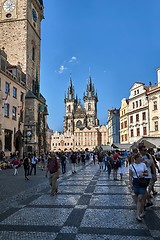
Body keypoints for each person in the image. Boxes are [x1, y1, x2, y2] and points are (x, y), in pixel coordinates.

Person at [129, 152, 148, 221]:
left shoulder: (143, 164)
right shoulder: (131, 166)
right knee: (139, 199)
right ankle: (142, 211)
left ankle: (137, 215)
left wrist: (143, 174)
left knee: (140, 198)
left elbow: (147, 173)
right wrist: (130, 184)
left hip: (142, 182)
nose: (141, 158)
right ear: (136, 158)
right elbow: (130, 176)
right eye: (140, 157)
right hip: (135, 182)